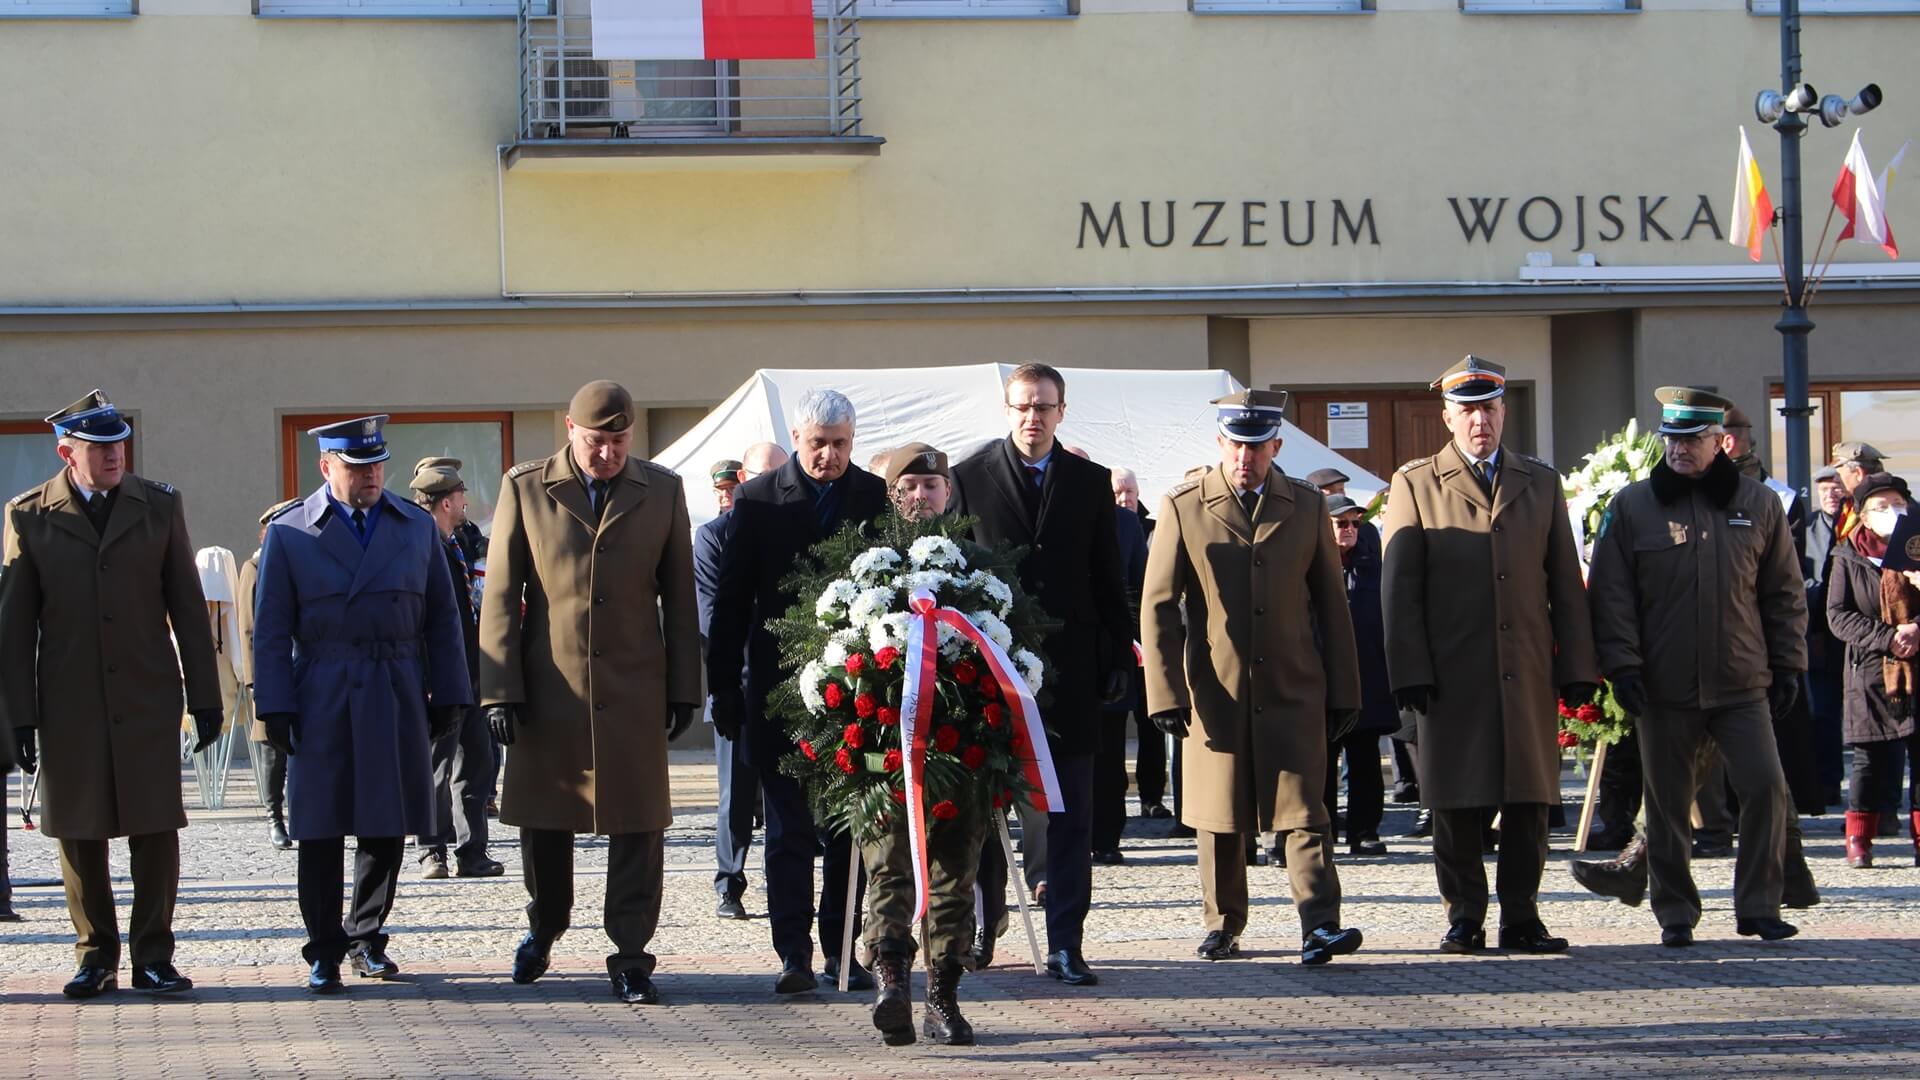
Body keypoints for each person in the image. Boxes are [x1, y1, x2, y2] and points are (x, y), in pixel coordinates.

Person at [479, 382, 699, 1005]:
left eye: (620, 442)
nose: (608, 455)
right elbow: (500, 595)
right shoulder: (526, 487)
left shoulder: (661, 489)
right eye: (597, 441)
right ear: (570, 431)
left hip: (634, 687)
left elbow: (680, 598)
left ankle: (631, 955)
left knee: (638, 828)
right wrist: (499, 691)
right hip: (551, 688)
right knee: (545, 825)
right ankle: (544, 927)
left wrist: (684, 688)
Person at [0, 390, 224, 998]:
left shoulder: (158, 507)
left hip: (148, 695)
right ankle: (95, 955)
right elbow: (16, 628)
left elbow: (185, 604)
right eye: (99, 448)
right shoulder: (29, 516)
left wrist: (205, 697)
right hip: (70, 702)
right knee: (80, 830)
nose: (114, 455)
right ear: (66, 452)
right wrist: (18, 718)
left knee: (155, 827)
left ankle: (154, 953)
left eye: (119, 443)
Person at [1382, 356, 1599, 955]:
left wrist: (1578, 667)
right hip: (1451, 674)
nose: (1480, 421)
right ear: (1448, 417)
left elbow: (1565, 585)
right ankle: (1465, 915)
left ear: (1505, 412)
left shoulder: (1541, 481)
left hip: (1525, 669)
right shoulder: (1417, 483)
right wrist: (1409, 673)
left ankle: (1522, 916)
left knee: (1529, 798)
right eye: (1468, 410)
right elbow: (1399, 592)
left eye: (1490, 409)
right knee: (1454, 800)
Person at [1142, 390, 1365, 965]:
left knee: (1305, 809)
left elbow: (1331, 607)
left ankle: (1319, 924)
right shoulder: (1184, 505)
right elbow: (1160, 604)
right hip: (1216, 686)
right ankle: (1223, 924)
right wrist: (1165, 691)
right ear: (1221, 444)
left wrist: (1345, 690)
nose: (1246, 457)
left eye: (1257, 446)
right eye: (1236, 445)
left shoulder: (1309, 505)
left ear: (1276, 446)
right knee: (1219, 815)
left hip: (1293, 683)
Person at [252, 415, 472, 993]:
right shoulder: (291, 532)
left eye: (377, 464)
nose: (371, 474)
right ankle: (323, 947)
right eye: (356, 466)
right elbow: (270, 629)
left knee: (386, 823)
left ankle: (366, 935)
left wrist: (450, 692)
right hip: (321, 687)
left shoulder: (414, 528)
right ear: (327, 468)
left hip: (394, 683)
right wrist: (273, 704)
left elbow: (445, 620)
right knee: (319, 827)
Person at [1586, 386, 1805, 946]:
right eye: (1672, 438)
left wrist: (1789, 664)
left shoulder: (1758, 503)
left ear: (1719, 442)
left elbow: (1783, 592)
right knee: (1666, 803)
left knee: (1765, 788)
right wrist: (1623, 667)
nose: (1680, 449)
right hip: (1664, 684)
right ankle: (1676, 911)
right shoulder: (1633, 506)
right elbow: (1612, 596)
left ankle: (1758, 904)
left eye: (1692, 439)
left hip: (1741, 679)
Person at [949, 364, 1133, 987]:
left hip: (1072, 675)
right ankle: (984, 924)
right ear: (1006, 410)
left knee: (1070, 815)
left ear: (1062, 412)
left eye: (1045, 407)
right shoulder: (968, 477)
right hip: (991, 675)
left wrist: (1115, 658)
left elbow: (1108, 580)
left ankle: (1065, 943)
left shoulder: (1089, 482)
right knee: (984, 810)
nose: (1033, 417)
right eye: (1023, 406)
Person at [708, 390, 886, 995]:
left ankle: (841, 950)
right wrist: (723, 687)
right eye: (818, 444)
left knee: (848, 828)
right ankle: (794, 954)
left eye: (840, 445)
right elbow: (731, 603)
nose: (829, 456)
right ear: (798, 436)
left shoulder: (869, 495)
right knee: (787, 830)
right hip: (777, 690)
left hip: (855, 693)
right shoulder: (757, 500)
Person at [854, 442, 983, 1045]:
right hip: (886, 755)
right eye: (907, 485)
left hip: (963, 754)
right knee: (889, 869)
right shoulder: (864, 567)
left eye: (931, 485)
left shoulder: (981, 570)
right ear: (891, 494)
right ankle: (892, 986)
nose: (919, 495)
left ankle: (944, 998)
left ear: (949, 493)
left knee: (954, 872)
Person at [699, 442, 785, 920]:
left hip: (789, 683)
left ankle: (784, 887)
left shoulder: (794, 524)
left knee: (784, 796)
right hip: (741, 680)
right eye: (758, 477)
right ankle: (729, 883)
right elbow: (713, 615)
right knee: (735, 792)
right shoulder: (714, 536)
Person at [408, 457, 502, 880]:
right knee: (435, 768)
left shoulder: (455, 542)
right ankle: (431, 851)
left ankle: (472, 850)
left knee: (477, 763)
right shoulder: (419, 546)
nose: (466, 501)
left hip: (469, 676)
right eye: (461, 494)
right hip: (438, 679)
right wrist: (428, 678)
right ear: (447, 502)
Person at [1824, 472, 1919, 868]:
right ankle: (1859, 839)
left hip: (1916, 668)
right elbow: (1837, 615)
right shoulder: (1848, 555)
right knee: (1867, 760)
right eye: (1880, 506)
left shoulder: (1916, 551)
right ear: (1863, 515)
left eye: (1897, 504)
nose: (1891, 512)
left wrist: (1916, 629)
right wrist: (1887, 637)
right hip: (1869, 670)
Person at [1081, 449, 1150, 867]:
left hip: (1111, 651)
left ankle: (1107, 836)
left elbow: (1140, 585)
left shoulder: (1126, 524)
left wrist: (1133, 642)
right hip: (1063, 657)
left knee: (1109, 753)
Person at [1327, 494, 1394, 857]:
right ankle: (1322, 829)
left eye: (1355, 523)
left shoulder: (1371, 564)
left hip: (1366, 675)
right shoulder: (1310, 564)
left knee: (1366, 758)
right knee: (1322, 759)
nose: (1350, 530)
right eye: (1342, 524)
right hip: (1322, 678)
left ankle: (1364, 830)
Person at [239, 499, 300, 851]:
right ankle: (274, 816)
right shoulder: (254, 567)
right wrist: (256, 682)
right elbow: (249, 629)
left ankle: (302, 814)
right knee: (271, 751)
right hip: (269, 671)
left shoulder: (301, 562)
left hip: (301, 669)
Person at [1806, 466, 1850, 807]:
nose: (1830, 495)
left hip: (1856, 636)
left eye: (1835, 488)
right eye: (1823, 490)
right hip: (1819, 635)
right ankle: (1827, 782)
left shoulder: (1858, 525)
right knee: (1822, 714)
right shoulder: (1806, 528)